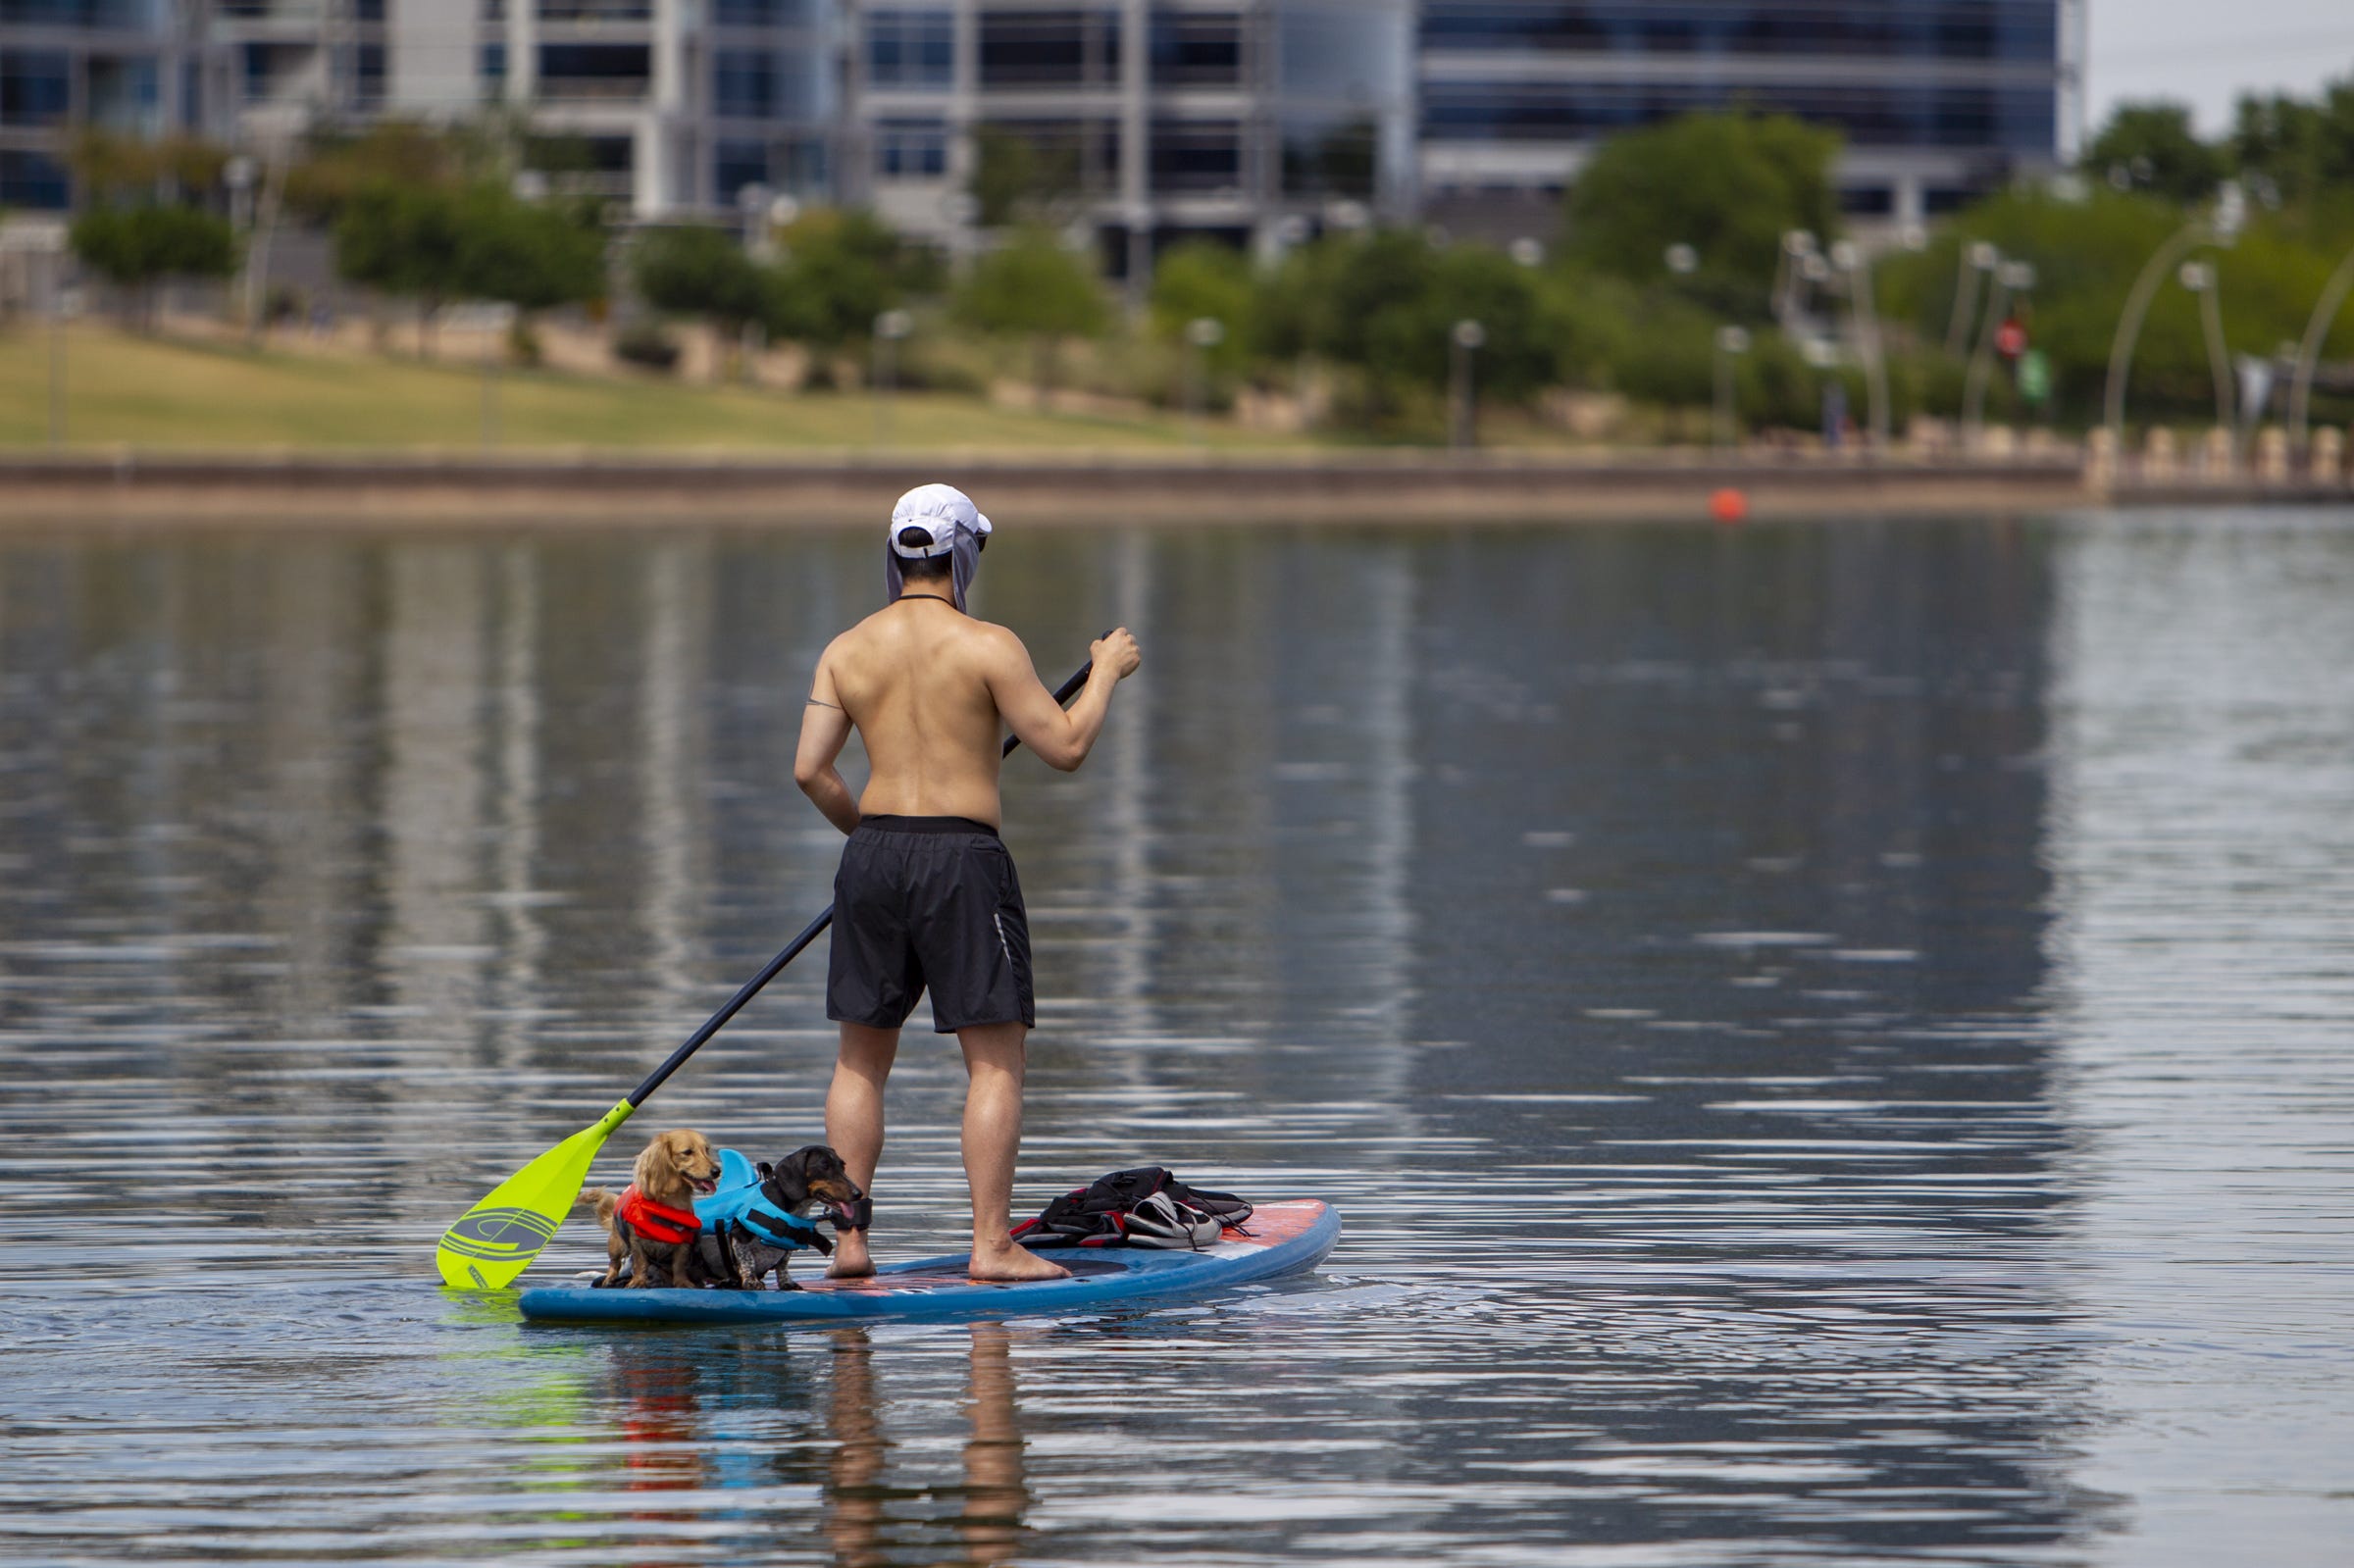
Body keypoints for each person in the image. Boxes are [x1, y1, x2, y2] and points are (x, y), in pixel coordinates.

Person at [793, 483, 1141, 1282]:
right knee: (994, 1059)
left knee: (859, 1061)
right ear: (963, 555)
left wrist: (873, 845)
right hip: (962, 858)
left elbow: (810, 769)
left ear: (897, 553)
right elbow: (1066, 746)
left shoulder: (845, 649)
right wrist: (1106, 671)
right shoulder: (988, 645)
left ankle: (849, 1242)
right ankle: (991, 1244)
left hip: (873, 855)